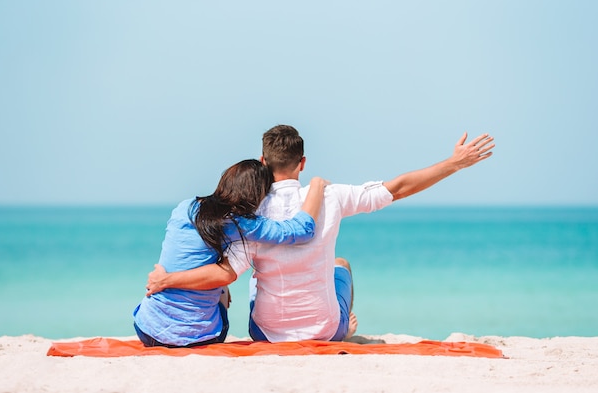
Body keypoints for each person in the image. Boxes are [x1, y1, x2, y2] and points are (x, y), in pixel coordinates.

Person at [145, 126, 495, 342]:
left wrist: (169, 279)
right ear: (303, 162)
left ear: (263, 162)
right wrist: (454, 163)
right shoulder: (332, 195)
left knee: (254, 275)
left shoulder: (248, 212)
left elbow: (228, 272)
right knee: (340, 263)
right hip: (324, 329)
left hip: (264, 332)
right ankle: (344, 324)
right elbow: (399, 188)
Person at [133, 158, 327, 348]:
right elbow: (301, 230)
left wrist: (166, 279)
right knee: (223, 285)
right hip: (199, 337)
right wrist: (317, 185)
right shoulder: (239, 223)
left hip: (147, 330)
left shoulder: (185, 207)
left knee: (217, 281)